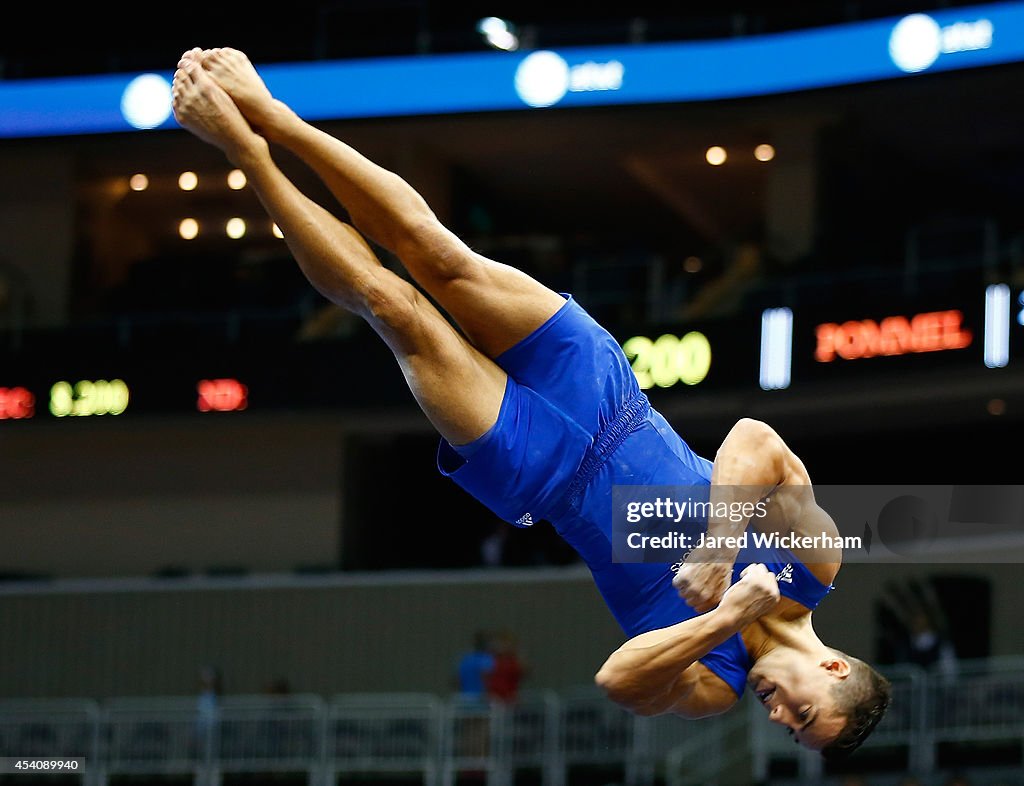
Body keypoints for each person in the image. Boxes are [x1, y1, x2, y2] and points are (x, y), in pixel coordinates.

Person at [169, 46, 891, 760]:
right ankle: (270, 113)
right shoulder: (816, 563)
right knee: (436, 254)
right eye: (803, 713)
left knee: (396, 307)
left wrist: (729, 613)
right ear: (832, 669)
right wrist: (717, 549)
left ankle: (243, 148)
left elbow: (621, 681)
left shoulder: (717, 685)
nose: (780, 719)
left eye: (792, 733)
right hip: (608, 396)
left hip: (542, 472)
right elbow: (756, 440)